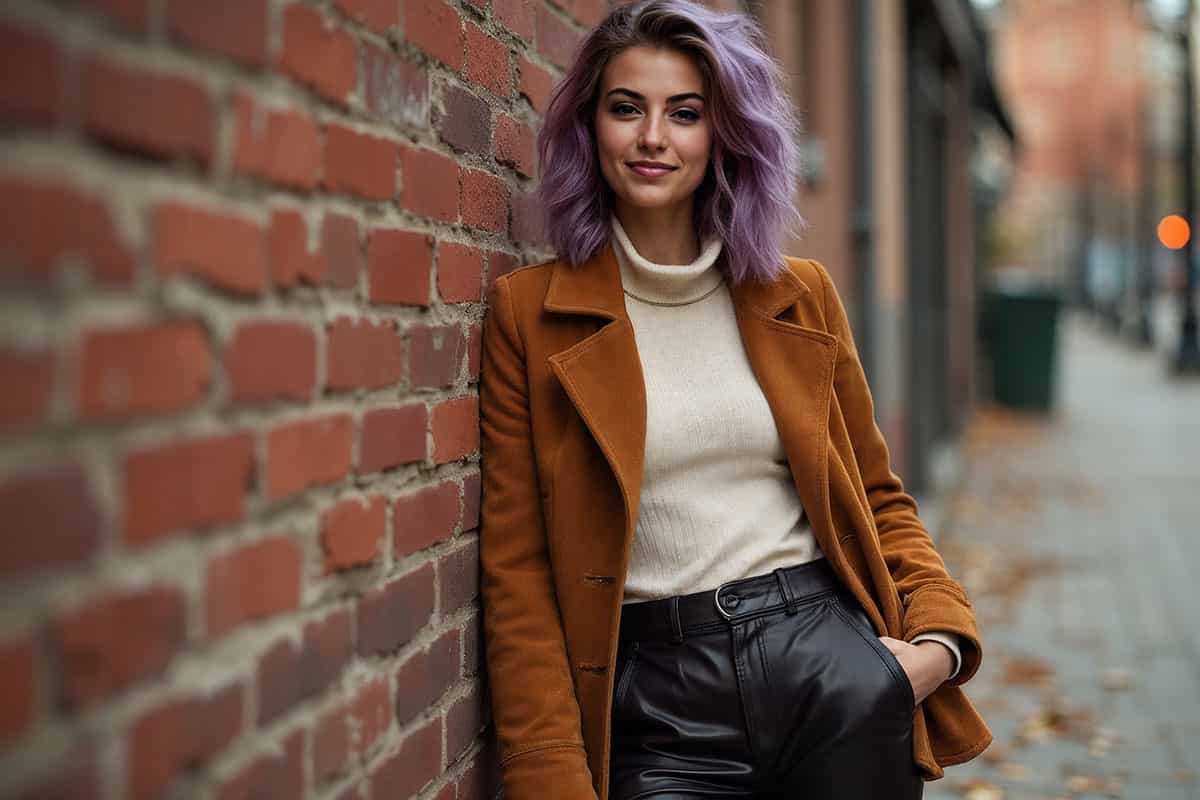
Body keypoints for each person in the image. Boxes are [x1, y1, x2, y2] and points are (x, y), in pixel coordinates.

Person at [477, 2, 991, 798]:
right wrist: (550, 773)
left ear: (724, 135)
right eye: (626, 108)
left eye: (685, 114)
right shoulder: (529, 315)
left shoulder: (799, 296)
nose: (654, 137)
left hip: (830, 669)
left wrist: (938, 645)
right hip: (657, 707)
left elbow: (879, 495)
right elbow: (518, 573)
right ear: (591, 127)